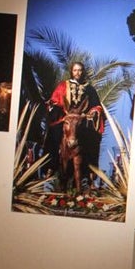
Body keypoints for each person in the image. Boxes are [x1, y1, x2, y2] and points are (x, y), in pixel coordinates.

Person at [46, 61, 105, 190]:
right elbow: (55, 99)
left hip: (82, 120)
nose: (77, 73)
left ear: (83, 72)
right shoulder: (63, 85)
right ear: (71, 72)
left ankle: (90, 173)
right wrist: (54, 106)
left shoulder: (89, 88)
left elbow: (96, 105)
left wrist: (93, 112)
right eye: (75, 70)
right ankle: (51, 165)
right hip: (65, 117)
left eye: (80, 70)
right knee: (55, 133)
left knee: (93, 138)